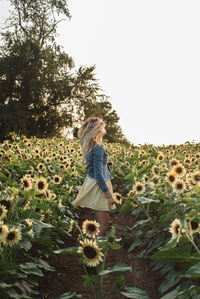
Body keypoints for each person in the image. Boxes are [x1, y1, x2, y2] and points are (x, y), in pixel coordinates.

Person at [72, 116, 116, 236]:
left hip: (93, 183)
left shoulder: (90, 146)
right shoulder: (98, 148)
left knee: (103, 222)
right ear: (98, 130)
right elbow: (98, 174)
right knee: (103, 223)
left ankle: (95, 246)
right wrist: (108, 195)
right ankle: (94, 249)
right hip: (99, 186)